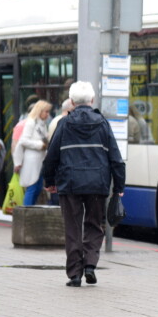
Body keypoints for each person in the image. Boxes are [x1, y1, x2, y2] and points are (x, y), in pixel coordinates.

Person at [43, 81, 125, 287]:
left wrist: (49, 181)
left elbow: (51, 156)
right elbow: (116, 158)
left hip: (69, 183)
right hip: (98, 183)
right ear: (92, 100)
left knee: (72, 227)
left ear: (71, 101)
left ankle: (75, 275)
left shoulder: (64, 123)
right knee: (95, 225)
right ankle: (89, 265)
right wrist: (119, 187)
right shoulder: (103, 123)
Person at [13, 100, 52, 206]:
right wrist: (40, 145)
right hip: (31, 159)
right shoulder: (31, 122)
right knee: (32, 187)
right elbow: (23, 141)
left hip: (39, 160)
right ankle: (27, 212)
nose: (48, 114)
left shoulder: (41, 124)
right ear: (39, 111)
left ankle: (29, 211)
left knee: (37, 187)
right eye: (46, 112)